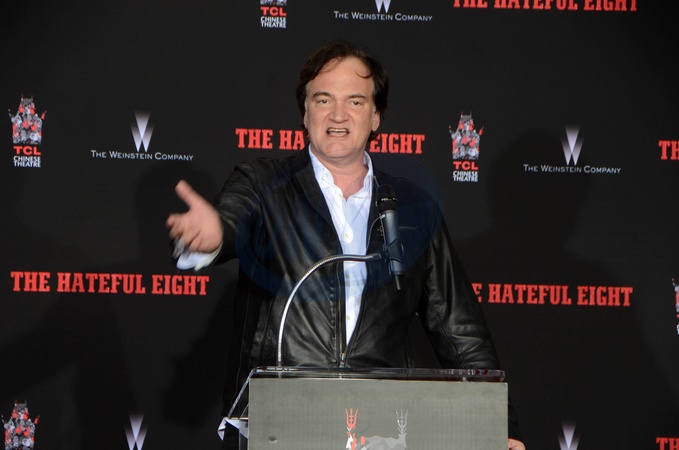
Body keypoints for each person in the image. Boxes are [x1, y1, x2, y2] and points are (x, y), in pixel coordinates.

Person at [166, 39, 526, 450]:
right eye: (323, 100)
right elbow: (231, 221)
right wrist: (213, 235)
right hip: (280, 422)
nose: (337, 115)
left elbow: (459, 329)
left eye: (355, 101)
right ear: (305, 113)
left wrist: (498, 424)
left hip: (379, 429)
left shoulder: (412, 207)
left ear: (376, 116)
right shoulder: (263, 184)